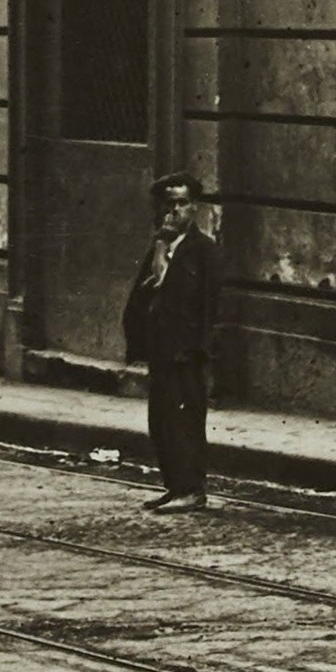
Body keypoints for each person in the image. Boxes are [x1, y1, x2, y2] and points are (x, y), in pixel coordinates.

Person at [123, 180, 226, 509]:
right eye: (168, 204)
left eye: (181, 203)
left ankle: (191, 490)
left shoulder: (204, 250)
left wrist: (201, 348)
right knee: (161, 421)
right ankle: (175, 486)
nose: (174, 210)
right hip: (162, 350)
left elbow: (211, 305)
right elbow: (142, 296)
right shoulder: (160, 248)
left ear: (194, 207)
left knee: (186, 420)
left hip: (187, 353)